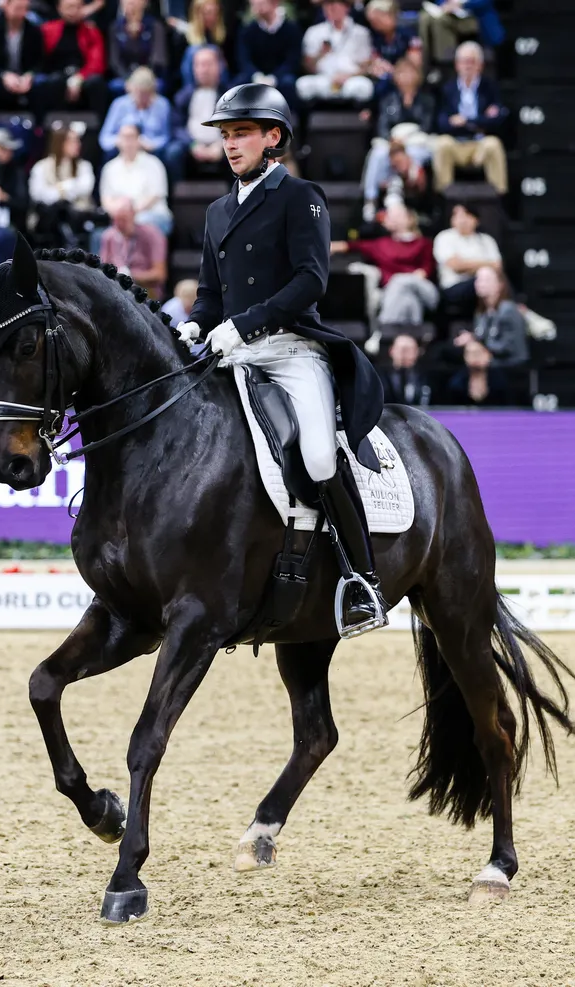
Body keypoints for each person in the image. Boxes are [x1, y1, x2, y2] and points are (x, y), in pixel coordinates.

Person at [175, 83, 388, 636]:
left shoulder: (301, 196)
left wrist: (242, 325)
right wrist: (194, 322)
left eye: (241, 133)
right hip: (233, 352)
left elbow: (310, 280)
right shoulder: (219, 210)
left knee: (318, 458)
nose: (231, 144)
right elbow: (209, 292)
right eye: (225, 135)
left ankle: (362, 580)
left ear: (274, 137)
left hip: (292, 350)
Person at [331, 201, 438, 325]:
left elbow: (424, 271)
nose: (390, 218)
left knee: (400, 281)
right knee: (408, 301)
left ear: (409, 219)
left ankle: (382, 330)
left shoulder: (424, 243)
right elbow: (351, 246)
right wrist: (324, 247)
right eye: (389, 215)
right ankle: (409, 338)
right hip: (394, 294)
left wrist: (410, 277)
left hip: (423, 290)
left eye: (396, 215)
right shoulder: (381, 244)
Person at [431, 41, 507, 194]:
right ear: (457, 65)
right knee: (441, 144)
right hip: (456, 144)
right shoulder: (448, 89)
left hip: (479, 144)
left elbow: (498, 119)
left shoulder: (489, 87)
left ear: (480, 65)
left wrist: (466, 121)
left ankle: (498, 199)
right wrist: (481, 120)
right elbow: (441, 122)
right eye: (464, 62)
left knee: (494, 145)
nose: (468, 66)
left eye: (472, 62)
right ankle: (445, 199)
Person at [361, 59, 436, 216]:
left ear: (418, 75)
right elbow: (382, 126)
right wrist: (393, 141)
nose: (406, 77)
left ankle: (409, 189)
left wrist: (406, 139)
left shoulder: (427, 100)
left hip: (417, 141)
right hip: (393, 142)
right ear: (395, 77)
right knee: (377, 154)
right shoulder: (388, 100)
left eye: (410, 72)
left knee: (414, 154)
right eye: (402, 73)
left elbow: (428, 126)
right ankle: (371, 198)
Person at [27, 123, 98, 248]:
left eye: (78, 141)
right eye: (73, 141)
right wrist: (66, 189)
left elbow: (85, 188)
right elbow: (38, 194)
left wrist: (60, 188)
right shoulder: (41, 167)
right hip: (48, 223)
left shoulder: (84, 166)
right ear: (60, 142)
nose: (78, 145)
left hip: (78, 221)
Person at [100, 124, 173, 235]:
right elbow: (106, 200)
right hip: (120, 218)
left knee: (139, 225)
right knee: (101, 234)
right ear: (118, 140)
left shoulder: (153, 163)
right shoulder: (110, 168)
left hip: (152, 214)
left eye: (131, 137)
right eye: (124, 137)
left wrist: (130, 213)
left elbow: (154, 197)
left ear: (139, 140)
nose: (128, 141)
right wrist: (121, 213)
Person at [297, 0, 375, 104]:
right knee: (303, 85)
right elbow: (308, 66)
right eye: (327, 6)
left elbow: (366, 65)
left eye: (335, 5)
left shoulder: (360, 32)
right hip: (324, 79)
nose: (331, 9)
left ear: (346, 8)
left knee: (364, 87)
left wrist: (348, 76)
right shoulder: (314, 32)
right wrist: (320, 54)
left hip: (350, 80)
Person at [168, 45, 227, 181]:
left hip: (221, 145)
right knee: (173, 152)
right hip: (192, 145)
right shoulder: (183, 96)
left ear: (219, 67)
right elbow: (177, 127)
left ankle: (240, 199)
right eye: (199, 65)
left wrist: (221, 144)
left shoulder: (230, 95)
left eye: (208, 64)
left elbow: (237, 125)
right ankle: (176, 199)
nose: (204, 69)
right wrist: (193, 144)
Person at [38, 0, 108, 115]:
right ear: (59, 8)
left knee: (97, 83)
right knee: (53, 81)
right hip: (57, 77)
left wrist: (79, 78)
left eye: (77, 7)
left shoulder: (92, 32)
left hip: (83, 78)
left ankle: (100, 128)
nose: (73, 11)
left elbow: (97, 63)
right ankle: (50, 127)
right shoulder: (47, 30)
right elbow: (41, 60)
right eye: (69, 7)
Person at [432, 201, 500, 315]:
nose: (462, 220)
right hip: (454, 287)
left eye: (466, 216)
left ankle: (504, 315)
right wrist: (485, 265)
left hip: (485, 283)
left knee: (495, 281)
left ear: (476, 220)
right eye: (457, 216)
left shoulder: (487, 240)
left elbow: (498, 266)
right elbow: (456, 266)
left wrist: (467, 265)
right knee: (484, 278)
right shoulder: (444, 237)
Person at [0, 0, 46, 112]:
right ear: (6, 6)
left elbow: (40, 62)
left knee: (40, 82)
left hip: (24, 76)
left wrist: (29, 75)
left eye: (24, 8)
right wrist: (3, 75)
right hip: (0, 74)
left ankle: (39, 126)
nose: (20, 13)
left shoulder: (34, 31)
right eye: (17, 8)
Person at [235, 0, 301, 104]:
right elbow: (244, 59)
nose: (257, 8)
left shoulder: (291, 29)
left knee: (288, 84)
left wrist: (274, 78)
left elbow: (293, 60)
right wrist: (256, 76)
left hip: (281, 76)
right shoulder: (247, 30)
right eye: (254, 5)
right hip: (255, 75)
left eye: (261, 4)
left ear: (275, 3)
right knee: (238, 84)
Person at [98, 200, 167, 298]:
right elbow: (102, 269)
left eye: (123, 219)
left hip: (143, 290)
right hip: (115, 289)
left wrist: (130, 276)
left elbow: (159, 275)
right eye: (116, 220)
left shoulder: (152, 234)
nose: (119, 224)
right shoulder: (109, 236)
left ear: (133, 215)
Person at [99, 68, 174, 160]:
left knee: (170, 152)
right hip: (122, 152)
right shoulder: (119, 104)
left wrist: (151, 144)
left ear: (153, 91)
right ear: (130, 89)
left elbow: (166, 137)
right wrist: (122, 141)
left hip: (153, 152)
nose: (141, 98)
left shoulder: (162, 105)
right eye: (138, 93)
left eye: (146, 94)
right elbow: (104, 138)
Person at [417, 0, 504, 67]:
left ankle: (447, 64)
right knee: (426, 18)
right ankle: (427, 63)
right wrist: (446, 5)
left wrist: (462, 4)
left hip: (476, 16)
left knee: (441, 21)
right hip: (451, 15)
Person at [109, 0, 168, 93]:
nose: (130, 2)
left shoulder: (155, 26)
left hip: (149, 76)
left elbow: (158, 59)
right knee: (114, 86)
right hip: (125, 77)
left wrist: (142, 79)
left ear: (145, 2)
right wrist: (128, 79)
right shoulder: (115, 28)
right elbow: (115, 61)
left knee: (158, 85)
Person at [365, 0, 415, 97]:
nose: (374, 25)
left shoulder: (407, 34)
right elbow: (373, 58)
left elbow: (415, 61)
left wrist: (395, 70)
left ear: (390, 16)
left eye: (378, 21)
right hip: (382, 76)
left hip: (403, 75)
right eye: (372, 22)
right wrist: (375, 65)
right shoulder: (376, 36)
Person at [175, 0, 229, 88]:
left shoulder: (223, 37)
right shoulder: (185, 38)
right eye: (208, 13)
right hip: (192, 85)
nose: (212, 17)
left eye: (215, 13)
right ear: (198, 14)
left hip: (218, 86)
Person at [378, 332, 433, 406]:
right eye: (402, 350)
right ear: (391, 351)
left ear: (417, 352)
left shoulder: (427, 377)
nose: (405, 355)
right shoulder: (379, 376)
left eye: (411, 350)